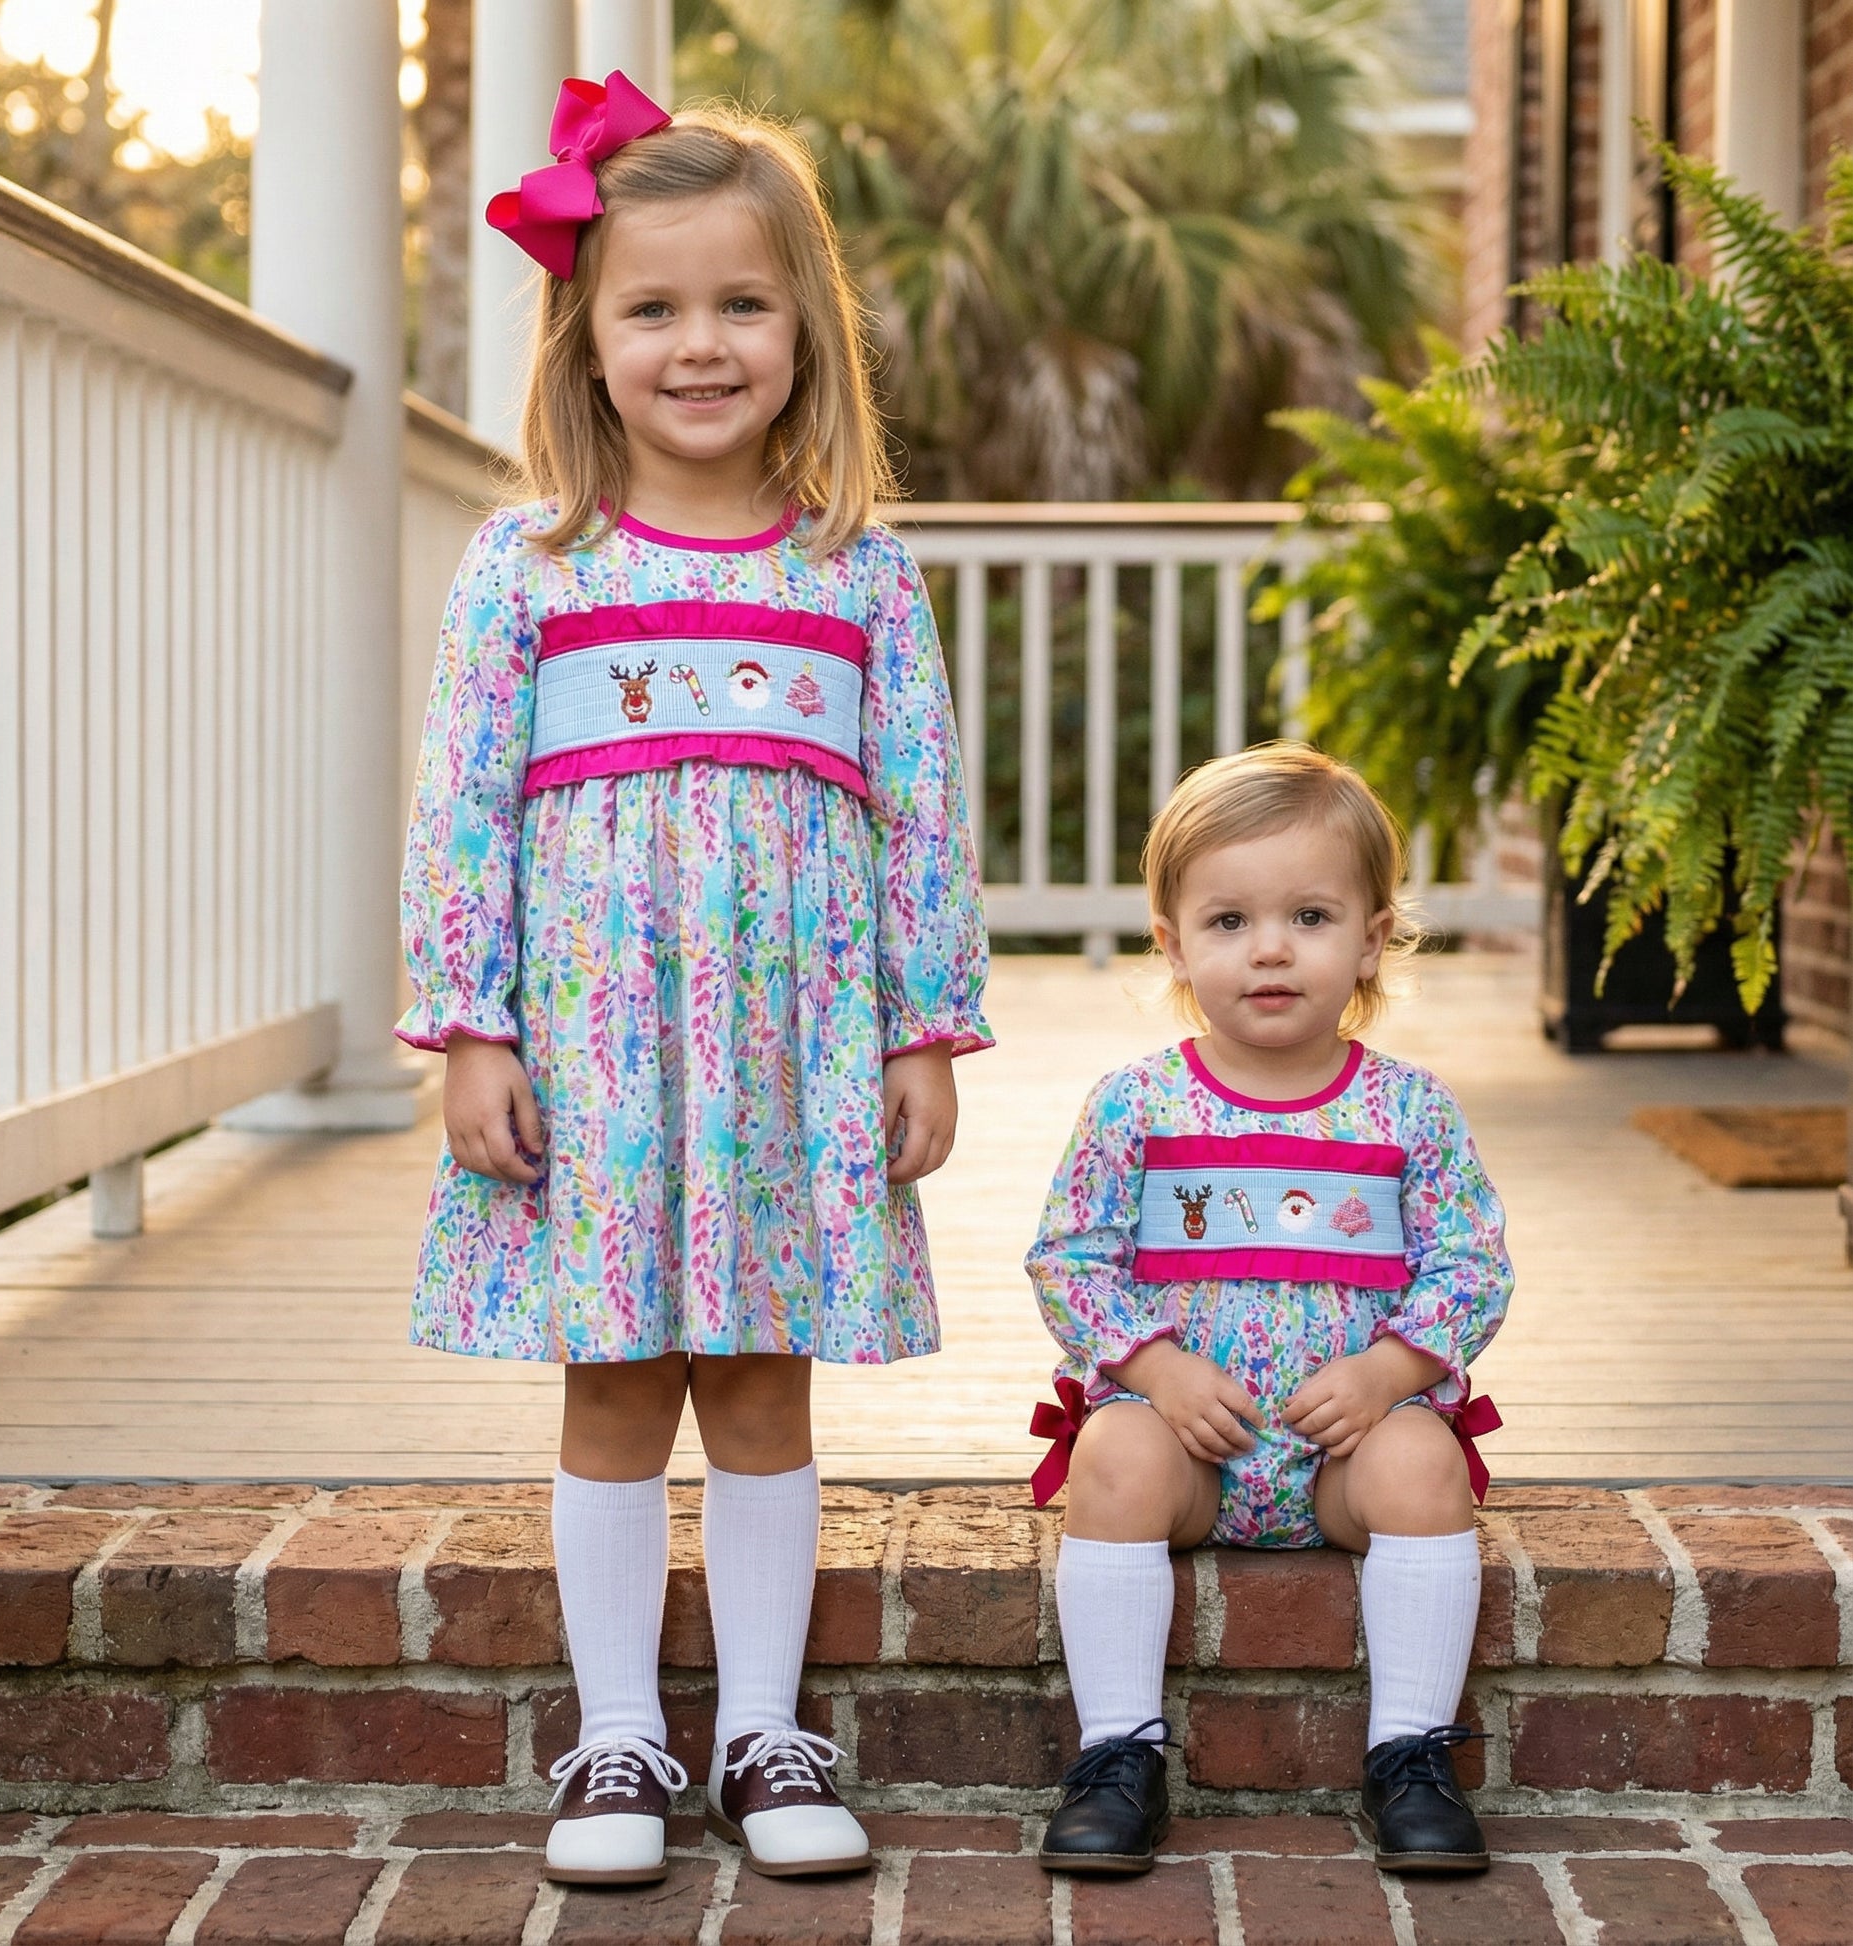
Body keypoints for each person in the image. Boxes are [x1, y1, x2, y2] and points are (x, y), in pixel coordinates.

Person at [398, 73, 991, 1888]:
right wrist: (473, 1025)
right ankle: (617, 1743)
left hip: (789, 1056)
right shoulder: (533, 566)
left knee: (757, 1383)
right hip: (590, 1049)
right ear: (590, 338)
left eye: (741, 303)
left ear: (807, 329)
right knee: (611, 1384)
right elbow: (462, 806)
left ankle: (761, 1727)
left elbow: (920, 814)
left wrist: (921, 1030)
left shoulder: (857, 577)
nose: (700, 343)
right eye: (653, 308)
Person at [1025, 743, 1508, 1878]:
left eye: (1308, 914)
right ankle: (1117, 1755)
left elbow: (1469, 1264)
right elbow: (1068, 1258)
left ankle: (1410, 1753)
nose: (1271, 948)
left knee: (1423, 1466)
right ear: (1172, 941)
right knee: (1109, 1453)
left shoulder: (1406, 1109)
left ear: (1373, 937)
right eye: (1229, 920)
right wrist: (1153, 1369)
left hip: (1338, 1451)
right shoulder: (1137, 1101)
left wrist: (1392, 1372)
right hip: (1194, 1445)